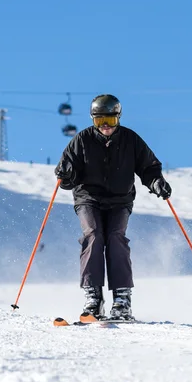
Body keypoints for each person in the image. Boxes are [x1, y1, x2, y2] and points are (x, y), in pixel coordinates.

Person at [55, 94, 172, 320]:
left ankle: (122, 300)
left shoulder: (130, 140)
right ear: (93, 120)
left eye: (110, 120)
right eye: (100, 121)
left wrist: (155, 181)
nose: (106, 126)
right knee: (93, 234)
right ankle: (93, 298)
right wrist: (65, 175)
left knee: (116, 236)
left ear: (118, 118)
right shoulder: (81, 140)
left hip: (120, 200)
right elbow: (66, 178)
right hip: (88, 197)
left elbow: (149, 167)